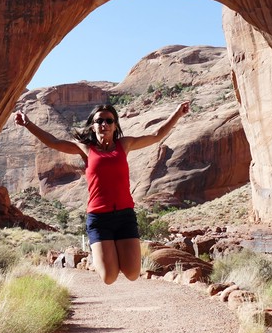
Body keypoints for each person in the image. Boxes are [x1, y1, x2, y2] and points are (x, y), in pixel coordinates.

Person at [14, 101, 190, 284]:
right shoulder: (86, 148)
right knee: (109, 277)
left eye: (108, 120)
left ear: (115, 126)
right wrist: (28, 123)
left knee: (132, 273)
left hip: (125, 216)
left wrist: (177, 113)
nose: (104, 124)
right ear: (93, 125)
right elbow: (54, 142)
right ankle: (100, 254)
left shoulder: (124, 144)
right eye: (99, 121)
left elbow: (155, 135)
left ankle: (108, 251)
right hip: (99, 218)